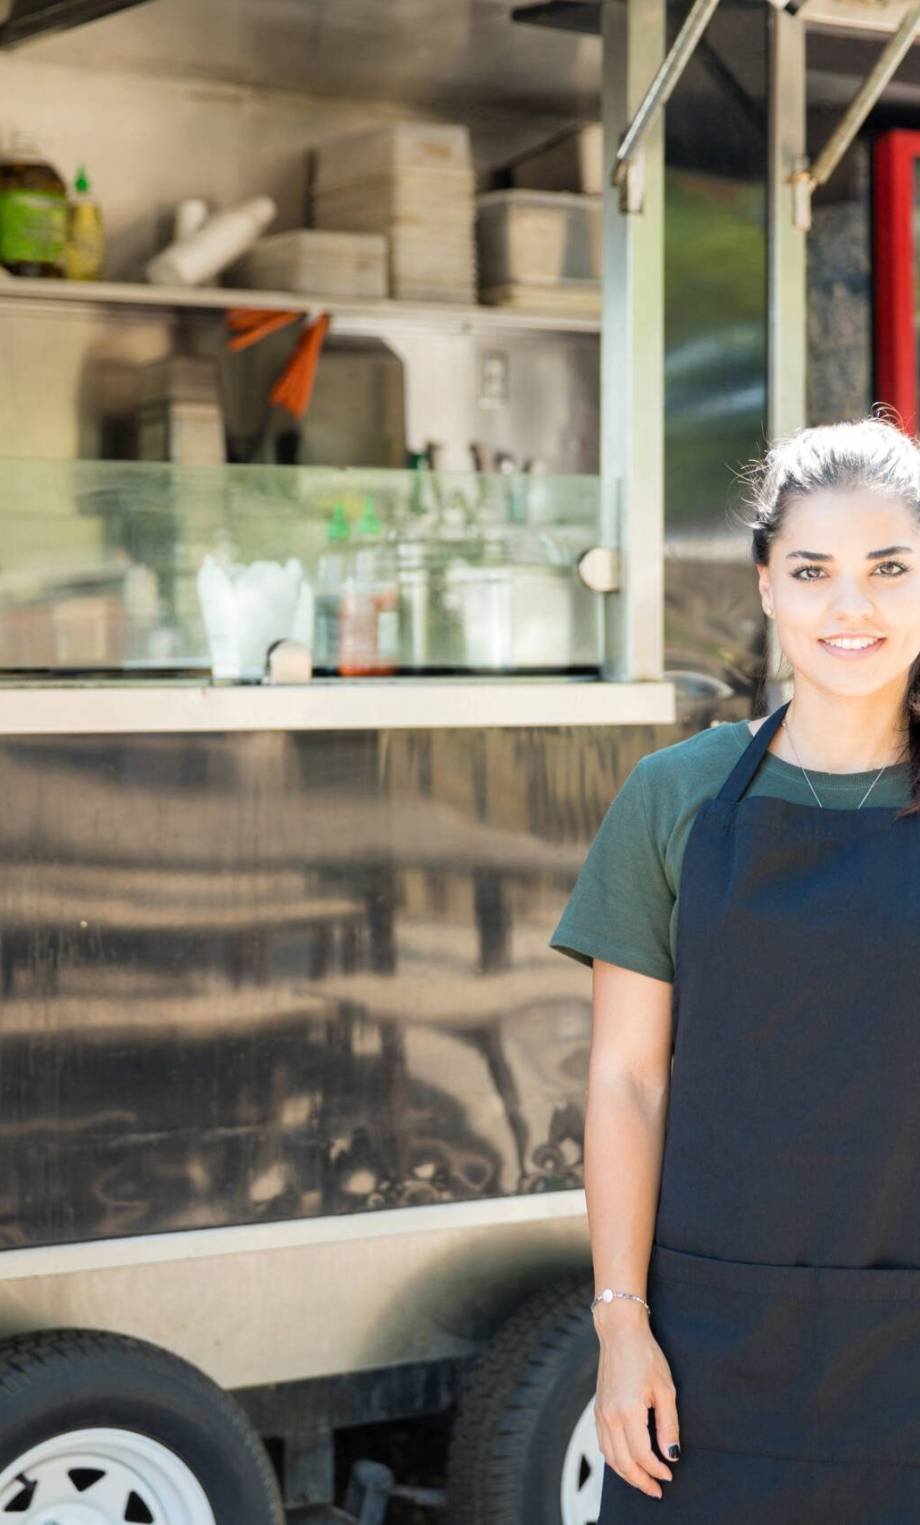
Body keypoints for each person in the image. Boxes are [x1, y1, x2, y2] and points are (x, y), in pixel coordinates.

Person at [549, 414, 920, 1522]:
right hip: (705, 1355)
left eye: (887, 568)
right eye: (811, 570)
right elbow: (627, 1080)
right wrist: (620, 1323)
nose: (849, 607)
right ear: (765, 585)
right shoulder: (673, 796)